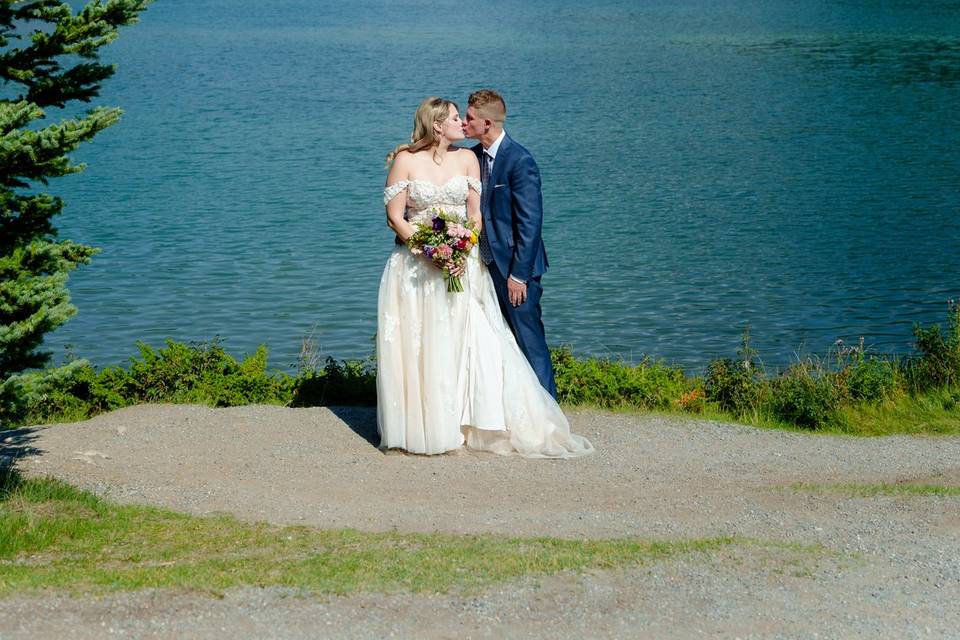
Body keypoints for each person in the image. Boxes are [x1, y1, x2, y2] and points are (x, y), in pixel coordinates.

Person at [377, 96, 593, 458]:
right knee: (424, 345)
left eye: (468, 117)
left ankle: (541, 412)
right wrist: (432, 249)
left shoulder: (490, 160)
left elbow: (502, 219)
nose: (463, 122)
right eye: (456, 117)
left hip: (481, 264)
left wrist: (461, 250)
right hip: (421, 266)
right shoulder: (422, 159)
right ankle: (425, 424)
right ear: (437, 125)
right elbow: (395, 217)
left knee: (494, 341)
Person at [462, 89, 557, 398]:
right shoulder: (473, 157)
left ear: (487, 123)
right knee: (498, 343)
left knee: (529, 339)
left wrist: (519, 276)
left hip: (516, 271)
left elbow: (530, 223)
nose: (464, 123)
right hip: (485, 268)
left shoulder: (520, 161)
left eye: (470, 118)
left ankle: (550, 411)